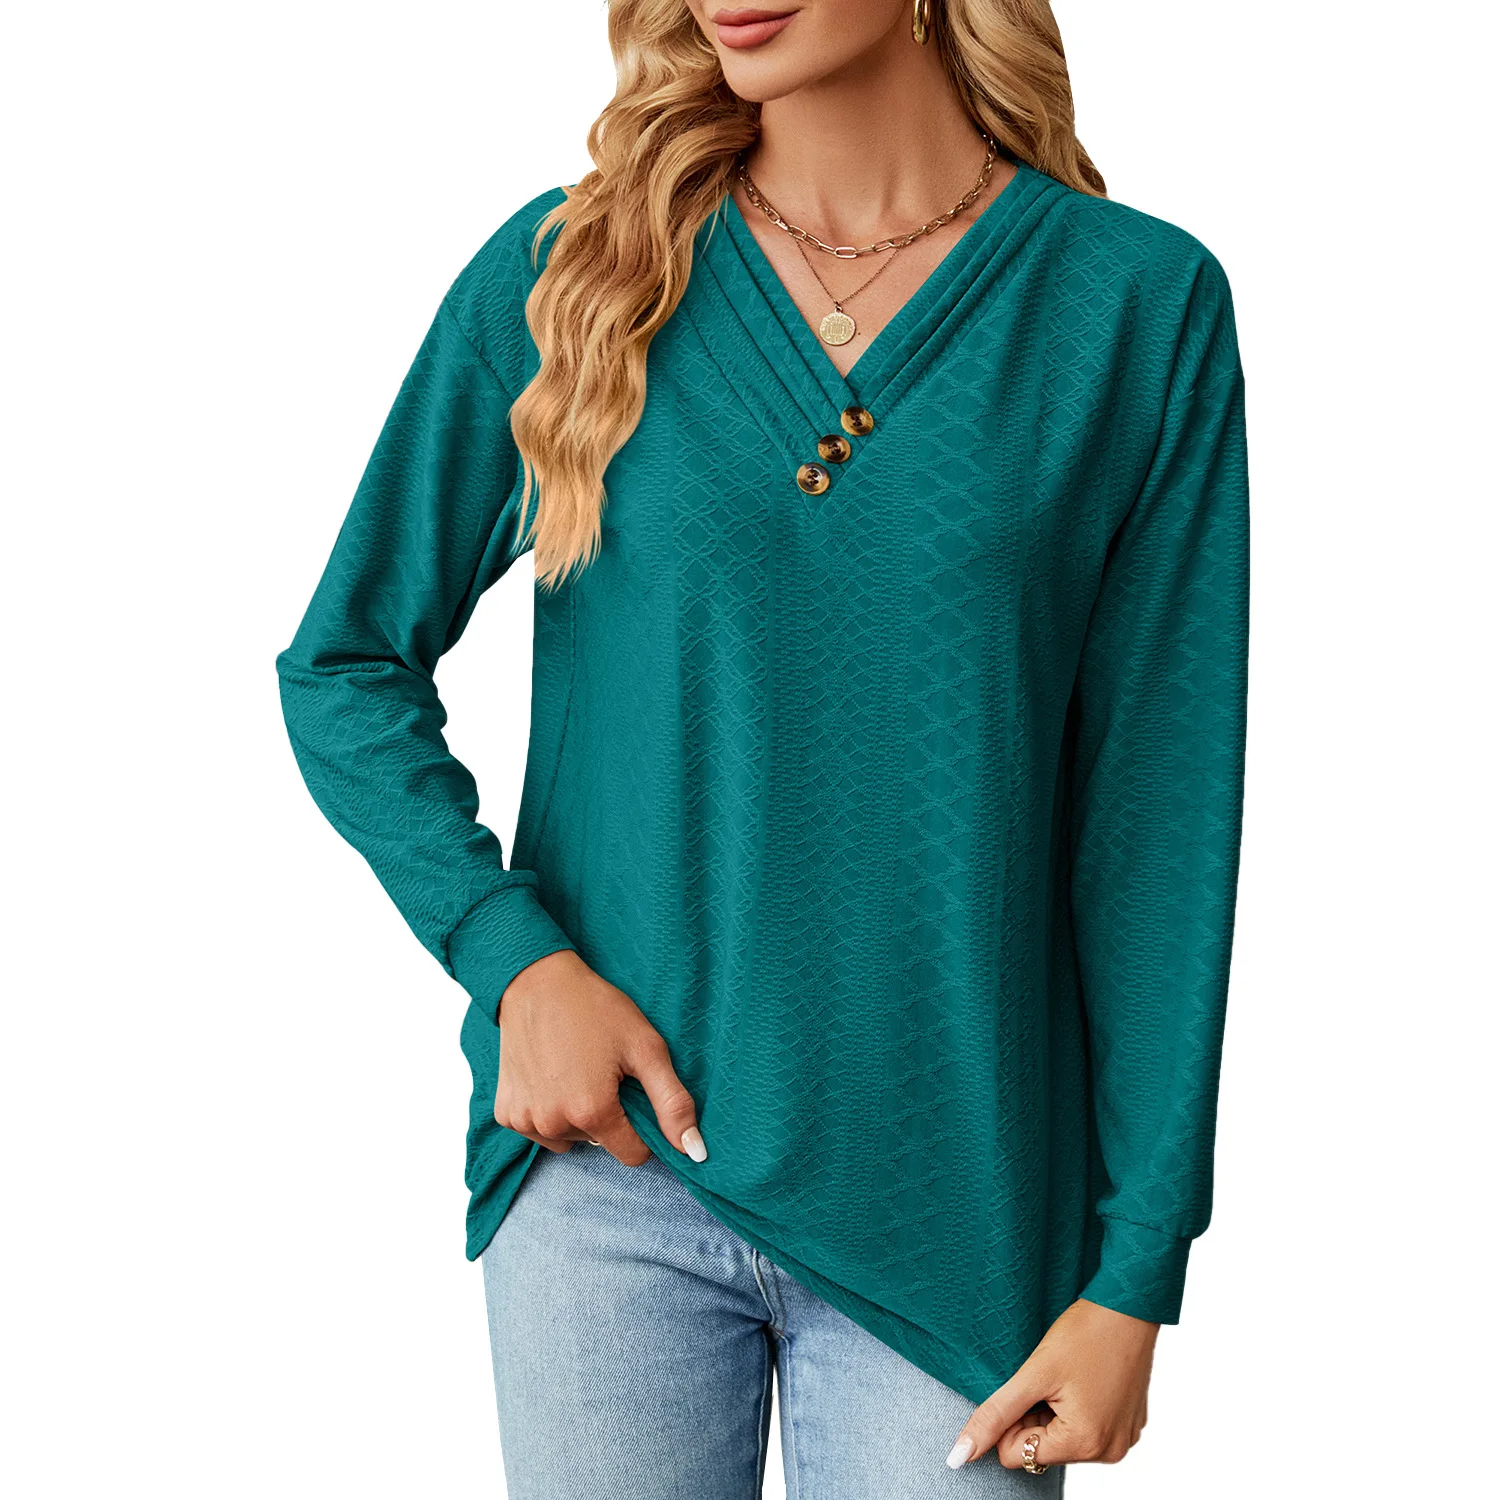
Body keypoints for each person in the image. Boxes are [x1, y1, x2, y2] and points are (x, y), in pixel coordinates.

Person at [276, 1, 1249, 1494]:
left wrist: (1137, 1272)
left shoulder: (1132, 306)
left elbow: (1158, 829)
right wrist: (513, 960)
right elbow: (344, 663)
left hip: (963, 1213)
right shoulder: (576, 271)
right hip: (606, 1180)